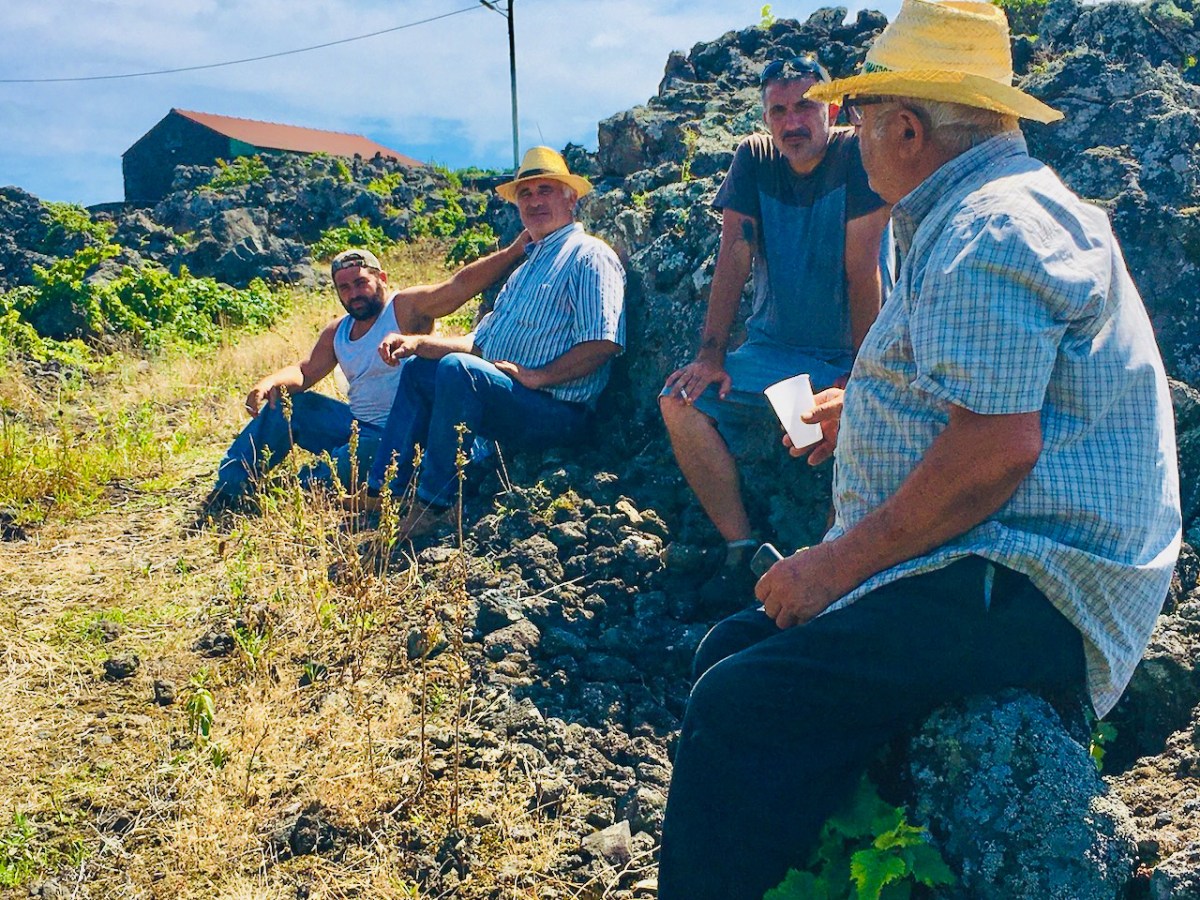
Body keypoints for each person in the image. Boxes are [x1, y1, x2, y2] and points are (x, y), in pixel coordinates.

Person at [657, 1, 1182, 897]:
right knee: (735, 650)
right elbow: (988, 384)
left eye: (860, 112)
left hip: (1032, 577)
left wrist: (832, 565)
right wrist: (863, 408)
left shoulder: (990, 229)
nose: (851, 130)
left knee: (739, 705)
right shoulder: (973, 211)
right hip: (989, 554)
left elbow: (997, 450)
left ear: (906, 128)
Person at [658, 53, 892, 600]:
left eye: (805, 106)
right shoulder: (755, 158)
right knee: (679, 400)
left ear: (832, 108)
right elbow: (733, 255)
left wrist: (863, 378)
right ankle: (741, 550)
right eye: (778, 111)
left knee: (865, 427)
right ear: (765, 118)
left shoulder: (857, 154)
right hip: (773, 354)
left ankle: (832, 572)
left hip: (849, 356)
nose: (792, 122)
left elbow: (864, 269)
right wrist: (711, 356)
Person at [364, 146, 626, 538]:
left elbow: (604, 342)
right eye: (525, 194)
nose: (534, 201)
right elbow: (480, 346)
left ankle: (435, 506)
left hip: (560, 412)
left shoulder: (589, 256)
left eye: (545, 190)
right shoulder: (525, 269)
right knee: (420, 369)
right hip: (511, 396)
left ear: (570, 198)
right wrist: (418, 343)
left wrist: (538, 376)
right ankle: (383, 491)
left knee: (458, 371)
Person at [201, 240, 526, 515]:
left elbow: (458, 287)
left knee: (346, 464)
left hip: (401, 437)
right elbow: (305, 371)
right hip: (356, 426)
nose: (353, 293)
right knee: (289, 406)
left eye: (360, 283)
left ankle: (289, 492)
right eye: (344, 288)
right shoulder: (338, 331)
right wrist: (269, 383)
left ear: (381, 278)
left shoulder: (404, 307)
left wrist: (514, 251)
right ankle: (229, 487)